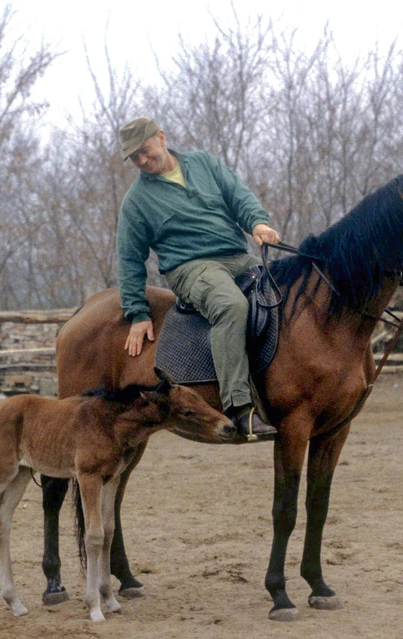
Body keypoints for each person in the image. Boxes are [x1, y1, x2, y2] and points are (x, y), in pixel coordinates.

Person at [115, 116, 280, 440]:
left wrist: (258, 223)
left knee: (285, 294)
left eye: (145, 152)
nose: (142, 161)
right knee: (231, 307)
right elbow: (129, 258)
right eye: (135, 158)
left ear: (161, 137)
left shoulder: (203, 163)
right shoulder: (137, 200)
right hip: (192, 268)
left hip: (237, 256)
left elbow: (238, 196)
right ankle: (240, 410)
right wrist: (137, 312)